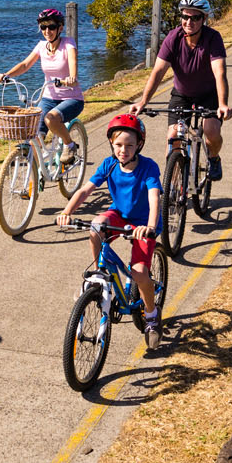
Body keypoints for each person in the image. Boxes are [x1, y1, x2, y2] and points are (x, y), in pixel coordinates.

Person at [59, 112, 166, 350]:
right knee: (96, 227)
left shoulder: (148, 167)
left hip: (143, 224)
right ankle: (100, 272)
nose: (123, 150)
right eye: (118, 144)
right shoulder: (109, 165)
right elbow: (86, 191)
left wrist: (149, 226)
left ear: (139, 144)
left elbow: (154, 197)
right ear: (111, 144)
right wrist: (67, 211)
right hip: (119, 215)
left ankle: (151, 315)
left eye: (129, 145)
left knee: (139, 273)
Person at [135, 0, 232, 182]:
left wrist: (222, 104)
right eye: (185, 17)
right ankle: (172, 187)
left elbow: (219, 72)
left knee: (212, 131)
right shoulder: (173, 38)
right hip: (182, 94)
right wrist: (143, 102)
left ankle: (214, 158)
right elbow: (157, 72)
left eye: (195, 17)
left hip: (208, 95)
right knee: (173, 136)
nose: (189, 22)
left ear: (204, 18)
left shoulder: (213, 38)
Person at [0, 6, 84, 164]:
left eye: (51, 26)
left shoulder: (68, 44)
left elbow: (73, 63)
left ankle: (69, 145)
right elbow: (25, 65)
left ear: (60, 28)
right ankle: (35, 176)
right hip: (48, 98)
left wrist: (71, 78)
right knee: (35, 134)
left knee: (51, 119)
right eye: (43, 27)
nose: (47, 31)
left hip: (71, 98)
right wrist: (6, 75)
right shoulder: (42, 46)